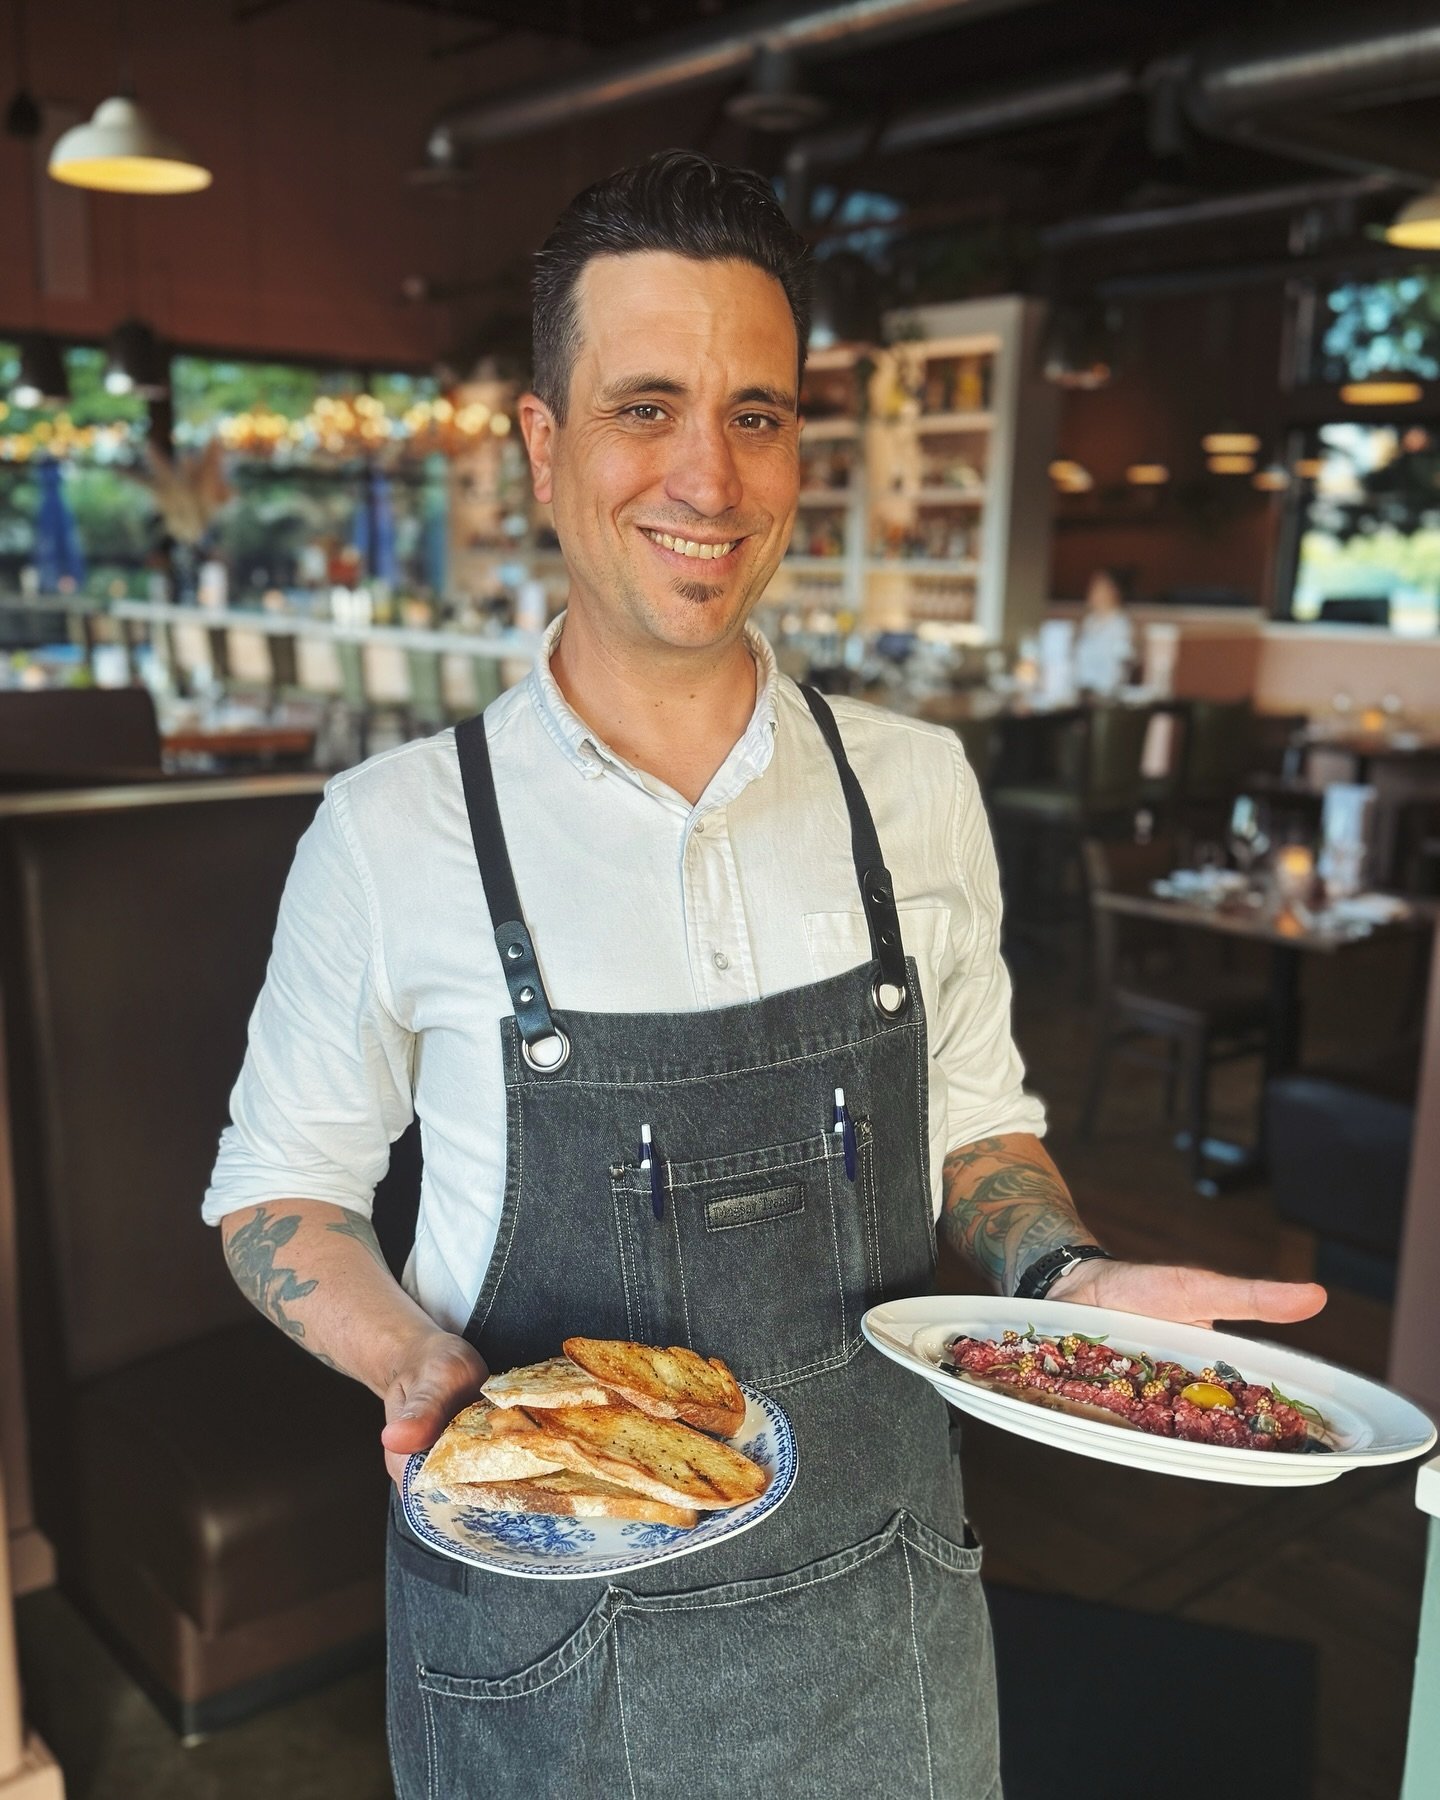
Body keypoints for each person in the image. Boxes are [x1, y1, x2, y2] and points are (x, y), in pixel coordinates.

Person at [204, 152, 1324, 1797]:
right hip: (548, 1649)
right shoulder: (392, 833)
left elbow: (976, 1133)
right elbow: (278, 1194)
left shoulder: (917, 787)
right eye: (645, 407)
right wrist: (410, 1361)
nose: (708, 477)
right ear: (543, 445)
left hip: (888, 1620)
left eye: (757, 414)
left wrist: (1066, 1281)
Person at [1073, 565, 1135, 695]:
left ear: (1113, 592)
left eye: (1099, 589)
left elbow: (1121, 665)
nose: (1093, 594)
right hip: (1082, 689)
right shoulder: (1089, 621)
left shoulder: (1120, 625)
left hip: (1106, 692)